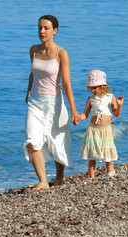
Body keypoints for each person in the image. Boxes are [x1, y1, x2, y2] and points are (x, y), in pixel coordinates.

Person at [24, 15, 80, 190]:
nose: (42, 31)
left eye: (46, 28)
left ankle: (59, 177)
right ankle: (42, 181)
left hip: (53, 102)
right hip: (35, 102)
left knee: (57, 139)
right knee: (32, 140)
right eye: (40, 27)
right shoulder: (33, 50)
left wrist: (74, 110)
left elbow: (66, 84)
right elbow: (33, 73)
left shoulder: (61, 53)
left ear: (55, 30)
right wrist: (28, 90)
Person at [79, 70, 124, 178]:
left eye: (95, 87)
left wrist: (119, 105)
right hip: (93, 129)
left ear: (102, 86)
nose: (92, 90)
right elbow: (85, 115)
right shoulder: (90, 99)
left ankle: (110, 170)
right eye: (91, 88)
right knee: (92, 152)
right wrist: (78, 117)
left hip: (105, 129)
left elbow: (116, 114)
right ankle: (91, 176)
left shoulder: (110, 97)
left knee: (106, 149)